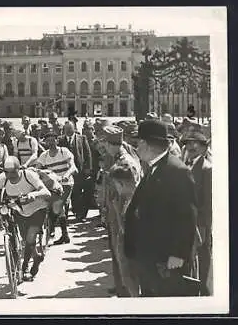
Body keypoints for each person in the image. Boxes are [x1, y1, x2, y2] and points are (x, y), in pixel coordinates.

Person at [124, 119, 199, 297]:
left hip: (167, 258)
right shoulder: (153, 167)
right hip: (149, 255)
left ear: (145, 144)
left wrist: (178, 253)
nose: (136, 148)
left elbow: (187, 216)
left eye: (138, 143)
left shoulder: (177, 171)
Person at [0, 156, 51, 281]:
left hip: (37, 209)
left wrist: (33, 195)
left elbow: (46, 192)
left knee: (31, 237)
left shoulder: (29, 175)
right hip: (19, 210)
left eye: (13, 172)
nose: (10, 175)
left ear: (19, 168)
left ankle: (24, 267)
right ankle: (36, 257)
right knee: (26, 240)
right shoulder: (3, 179)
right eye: (7, 172)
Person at [99, 125, 142, 297]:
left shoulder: (125, 162)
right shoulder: (116, 157)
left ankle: (127, 290)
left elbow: (130, 193)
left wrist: (119, 214)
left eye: (105, 144)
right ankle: (121, 286)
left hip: (122, 214)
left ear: (111, 144)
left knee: (123, 254)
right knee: (117, 251)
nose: (104, 148)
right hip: (114, 211)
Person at [181, 131, 213, 296]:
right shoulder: (186, 164)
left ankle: (204, 291)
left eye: (195, 143)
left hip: (199, 223)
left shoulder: (207, 169)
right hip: (187, 222)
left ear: (203, 147)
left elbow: (208, 203)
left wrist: (203, 226)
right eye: (187, 143)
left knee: (202, 257)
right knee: (190, 259)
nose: (190, 146)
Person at [35, 131, 78, 244]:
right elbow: (37, 169)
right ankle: (64, 235)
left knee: (58, 204)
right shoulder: (44, 155)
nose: (50, 143)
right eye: (48, 140)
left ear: (57, 140)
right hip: (52, 184)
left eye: (52, 140)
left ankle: (55, 230)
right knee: (55, 206)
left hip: (66, 183)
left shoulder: (64, 151)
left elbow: (73, 166)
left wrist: (66, 175)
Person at [58, 121, 92, 222]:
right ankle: (66, 215)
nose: (68, 131)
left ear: (74, 129)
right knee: (68, 192)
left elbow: (87, 153)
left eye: (70, 129)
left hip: (79, 171)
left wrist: (88, 168)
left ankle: (79, 213)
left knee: (78, 192)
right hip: (66, 171)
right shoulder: (60, 140)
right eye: (66, 129)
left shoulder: (82, 138)